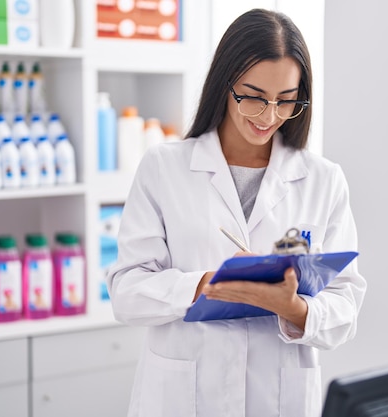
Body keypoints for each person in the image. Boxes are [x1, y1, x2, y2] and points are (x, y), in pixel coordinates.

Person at [106, 8, 367, 417]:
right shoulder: (164, 167)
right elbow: (126, 290)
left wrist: (293, 307)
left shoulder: (323, 179)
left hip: (279, 397)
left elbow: (346, 303)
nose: (268, 116)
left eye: (286, 101)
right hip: (183, 397)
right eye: (254, 97)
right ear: (224, 84)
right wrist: (204, 286)